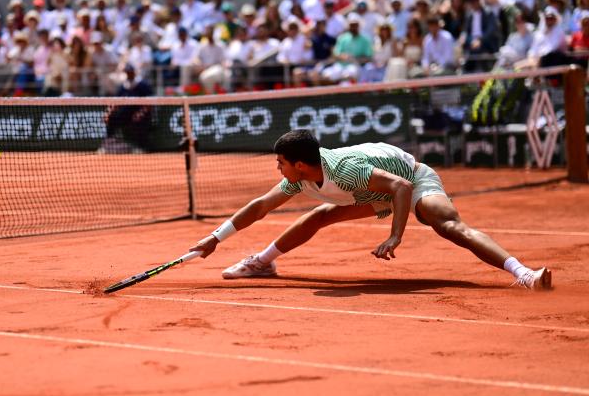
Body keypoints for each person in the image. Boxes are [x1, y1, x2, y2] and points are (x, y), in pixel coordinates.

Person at [190, 130, 552, 290]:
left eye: (281, 162)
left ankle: (524, 274)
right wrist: (214, 238)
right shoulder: (302, 178)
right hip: (370, 192)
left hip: (409, 177)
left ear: (300, 165)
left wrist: (395, 234)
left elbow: (401, 187)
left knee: (446, 224)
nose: (277, 168)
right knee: (320, 215)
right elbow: (260, 207)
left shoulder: (345, 170)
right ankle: (263, 262)